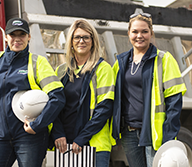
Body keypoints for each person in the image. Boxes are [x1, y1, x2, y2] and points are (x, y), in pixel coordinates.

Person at [0, 18, 65, 167]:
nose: (17, 39)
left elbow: (57, 97)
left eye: (22, 34)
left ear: (29, 37)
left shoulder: (38, 62)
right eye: (12, 35)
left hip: (30, 138)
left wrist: (38, 125)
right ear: (6, 37)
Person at [112, 13, 187, 167]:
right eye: (135, 32)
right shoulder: (120, 62)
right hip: (129, 132)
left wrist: (168, 136)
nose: (139, 36)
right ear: (128, 34)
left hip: (155, 134)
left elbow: (174, 102)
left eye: (144, 31)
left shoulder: (164, 59)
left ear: (151, 33)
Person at [51, 19, 115, 167]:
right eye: (77, 37)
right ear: (71, 41)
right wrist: (58, 133)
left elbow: (105, 108)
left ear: (93, 41)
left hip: (94, 145)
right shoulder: (61, 71)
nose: (82, 41)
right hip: (65, 146)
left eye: (86, 37)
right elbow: (53, 107)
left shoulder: (103, 69)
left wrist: (81, 138)